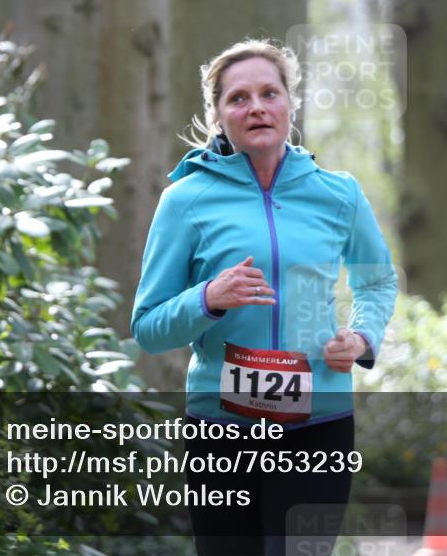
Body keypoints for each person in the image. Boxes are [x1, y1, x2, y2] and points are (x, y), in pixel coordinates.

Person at [130, 39, 397, 555]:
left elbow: (377, 281)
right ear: (217, 114)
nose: (256, 107)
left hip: (320, 424)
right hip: (220, 429)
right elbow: (147, 325)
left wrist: (363, 336)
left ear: (290, 104)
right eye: (238, 98)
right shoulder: (186, 199)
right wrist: (209, 297)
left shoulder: (338, 193)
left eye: (269, 93)